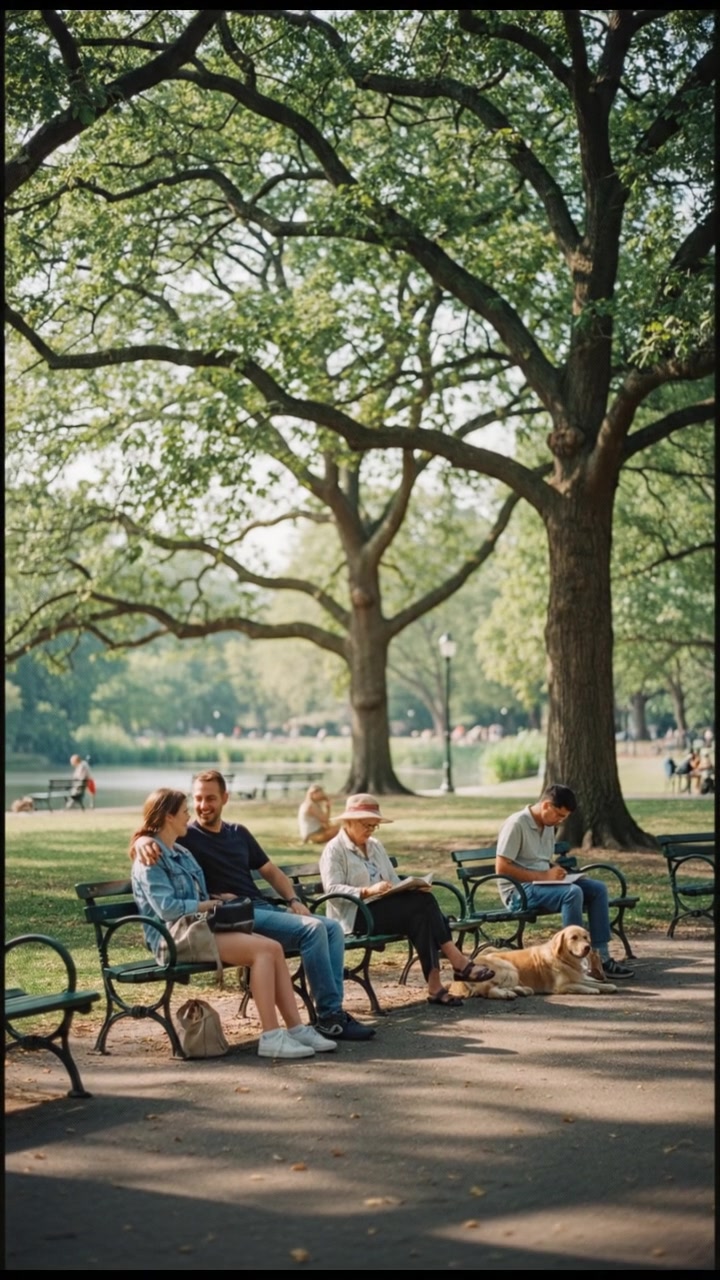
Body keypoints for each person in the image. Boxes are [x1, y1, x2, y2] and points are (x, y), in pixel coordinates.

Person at [133, 770, 374, 1042]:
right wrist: (141, 840)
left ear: (225, 797)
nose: (201, 806)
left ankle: (332, 1014)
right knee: (313, 930)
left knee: (331, 928)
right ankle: (328, 1018)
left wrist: (294, 901)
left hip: (258, 907)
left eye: (210, 798)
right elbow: (153, 834)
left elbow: (270, 871)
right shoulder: (186, 836)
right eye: (197, 799)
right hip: (234, 916)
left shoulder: (237, 833)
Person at [319, 793, 495, 1008]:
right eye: (367, 825)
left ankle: (436, 988)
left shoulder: (375, 846)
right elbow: (332, 889)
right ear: (349, 822)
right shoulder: (334, 850)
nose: (371, 830)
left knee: (422, 910)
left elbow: (392, 880)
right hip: (356, 916)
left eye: (374, 826)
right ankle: (459, 962)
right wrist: (367, 890)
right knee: (424, 907)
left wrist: (410, 887)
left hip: (384, 909)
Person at [494, 783, 634, 979]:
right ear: (545, 806)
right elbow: (502, 868)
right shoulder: (517, 824)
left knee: (597, 889)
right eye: (559, 816)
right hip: (517, 893)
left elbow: (539, 861)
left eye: (564, 818)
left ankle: (600, 958)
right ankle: (575, 962)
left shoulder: (548, 826)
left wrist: (558, 872)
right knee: (572, 892)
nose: (560, 821)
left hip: (543, 885)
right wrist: (544, 876)